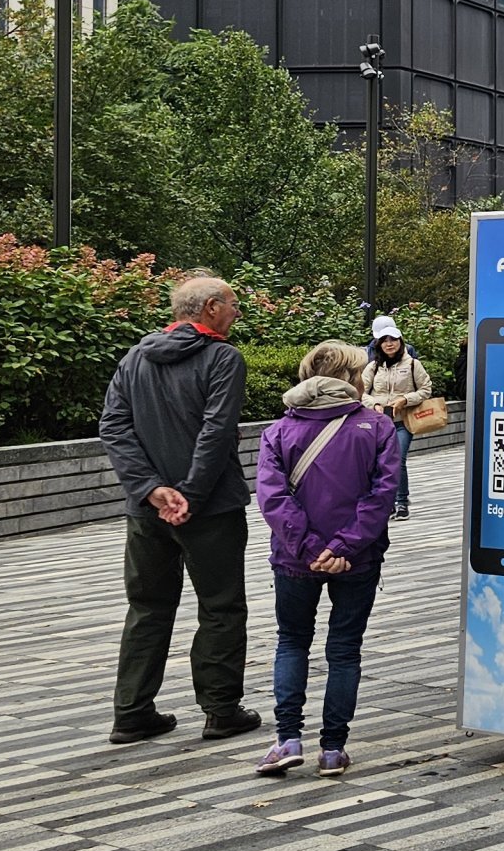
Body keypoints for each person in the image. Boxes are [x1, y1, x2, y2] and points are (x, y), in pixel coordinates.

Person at [99, 273, 261, 745]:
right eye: (233, 304)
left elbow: (114, 427)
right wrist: (190, 493)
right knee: (221, 607)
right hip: (211, 510)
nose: (236, 313)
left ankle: (132, 713)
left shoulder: (134, 358)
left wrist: (150, 489)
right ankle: (221, 711)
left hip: (147, 513)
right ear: (211, 307)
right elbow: (217, 430)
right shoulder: (223, 358)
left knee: (147, 607)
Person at [252, 341, 403, 778]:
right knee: (344, 650)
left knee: (292, 641)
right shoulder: (377, 427)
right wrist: (343, 547)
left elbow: (272, 498)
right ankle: (333, 749)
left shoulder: (279, 431)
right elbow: (382, 495)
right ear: (352, 379)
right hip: (359, 558)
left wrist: (308, 548)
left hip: (294, 558)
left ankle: (287, 739)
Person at [360, 314, 433, 519]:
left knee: (398, 460)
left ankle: (402, 502)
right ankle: (387, 502)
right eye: (384, 340)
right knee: (379, 462)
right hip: (379, 422)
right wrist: (374, 404)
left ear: (400, 342)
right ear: (378, 344)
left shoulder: (412, 364)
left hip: (403, 421)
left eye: (393, 339)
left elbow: (426, 389)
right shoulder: (373, 366)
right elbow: (360, 392)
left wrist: (405, 399)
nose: (389, 344)